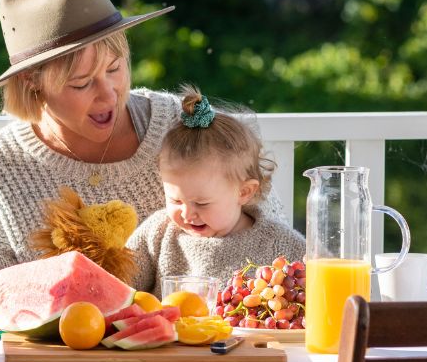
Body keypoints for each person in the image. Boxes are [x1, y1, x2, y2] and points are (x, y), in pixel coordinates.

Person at [0, 0, 179, 291]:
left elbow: (259, 237)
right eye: (82, 83)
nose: (108, 95)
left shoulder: (183, 125)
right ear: (32, 81)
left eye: (114, 69)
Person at [126, 86, 305, 297]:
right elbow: (119, 280)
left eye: (201, 203)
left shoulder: (279, 242)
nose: (186, 214)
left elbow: (324, 283)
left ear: (244, 192)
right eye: (175, 201)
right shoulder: (158, 232)